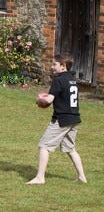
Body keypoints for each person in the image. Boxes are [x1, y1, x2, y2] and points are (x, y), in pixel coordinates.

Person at [26, 54, 87, 184]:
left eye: (54, 64)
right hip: (74, 118)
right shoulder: (73, 80)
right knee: (70, 149)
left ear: (63, 66)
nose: (52, 67)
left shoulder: (58, 80)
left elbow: (49, 99)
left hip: (62, 119)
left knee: (43, 146)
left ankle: (40, 178)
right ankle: (82, 177)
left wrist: (39, 99)